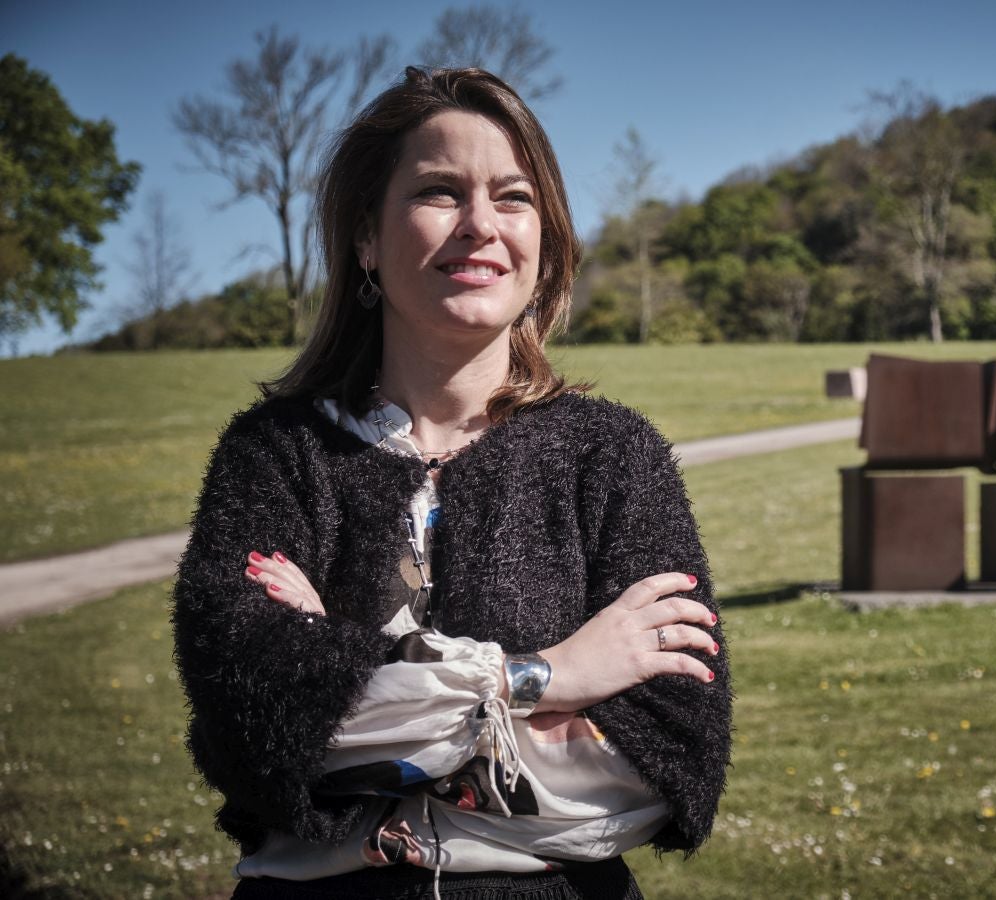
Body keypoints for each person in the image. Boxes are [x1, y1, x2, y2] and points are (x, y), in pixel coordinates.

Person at [172, 66, 732, 900]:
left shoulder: (613, 455)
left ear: (544, 243)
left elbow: (667, 757)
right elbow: (248, 729)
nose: (480, 225)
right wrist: (545, 678)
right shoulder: (275, 455)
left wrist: (350, 675)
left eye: (512, 198)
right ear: (366, 235)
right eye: (439, 191)